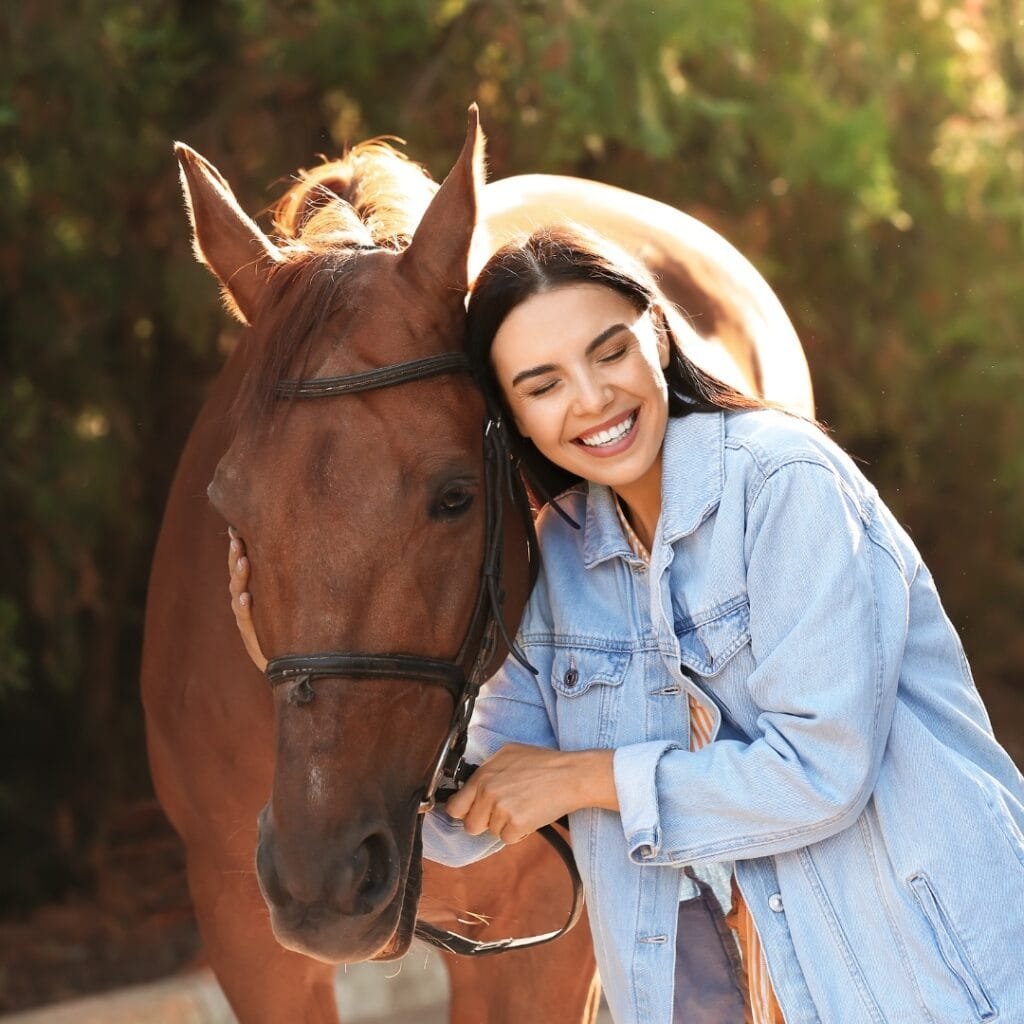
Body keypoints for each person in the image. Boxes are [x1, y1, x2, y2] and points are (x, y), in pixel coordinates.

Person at [228, 227, 1024, 1024]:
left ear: (657, 333)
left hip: (921, 979)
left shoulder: (785, 482)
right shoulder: (561, 558)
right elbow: (467, 820)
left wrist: (584, 777)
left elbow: (823, 776)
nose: (592, 399)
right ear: (513, 420)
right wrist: (296, 665)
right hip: (706, 991)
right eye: (542, 385)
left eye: (608, 352)